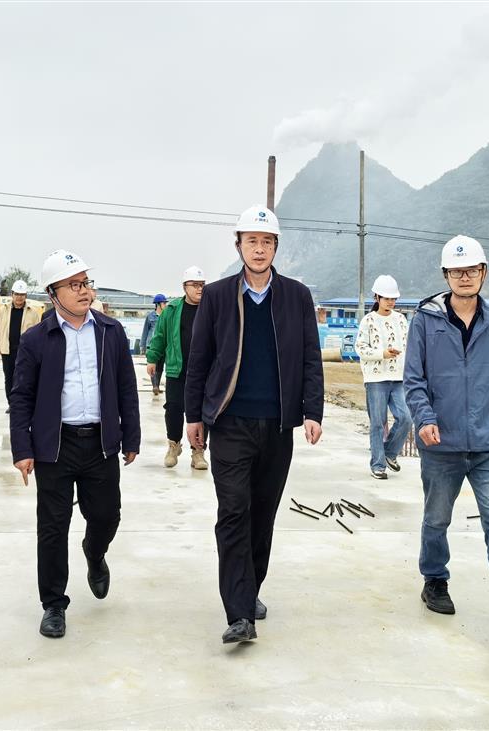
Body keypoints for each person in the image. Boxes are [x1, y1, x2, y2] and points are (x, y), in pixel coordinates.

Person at [185, 205, 324, 645]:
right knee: (233, 512)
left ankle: (250, 589)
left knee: (262, 516)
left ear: (275, 247)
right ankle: (239, 612)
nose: (259, 249)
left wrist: (313, 411)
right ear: (239, 246)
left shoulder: (297, 296)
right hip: (230, 424)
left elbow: (310, 357)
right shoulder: (218, 296)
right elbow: (199, 359)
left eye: (266, 242)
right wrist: (193, 416)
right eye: (251, 241)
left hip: (278, 426)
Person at [404, 235, 489, 643]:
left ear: (484, 273)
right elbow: (414, 380)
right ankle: (435, 580)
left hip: (487, 443)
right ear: (446, 275)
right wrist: (424, 418)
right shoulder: (425, 320)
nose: (465, 277)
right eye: (457, 271)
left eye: (472, 270)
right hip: (440, 443)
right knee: (437, 518)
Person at [10, 249, 140, 639]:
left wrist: (131, 436)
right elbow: (22, 397)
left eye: (86, 283)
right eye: (74, 285)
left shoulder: (111, 332)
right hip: (55, 446)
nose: (84, 291)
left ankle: (95, 553)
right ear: (53, 294)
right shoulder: (36, 339)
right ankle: (53, 604)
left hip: (100, 443)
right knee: (52, 528)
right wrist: (23, 449)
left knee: (107, 516)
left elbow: (126, 387)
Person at [146, 266, 208, 470]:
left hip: (204, 372)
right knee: (173, 408)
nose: (199, 289)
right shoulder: (172, 310)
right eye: (195, 285)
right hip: (177, 369)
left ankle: (198, 452)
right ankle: (174, 445)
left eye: (202, 284)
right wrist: (152, 358)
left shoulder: (210, 307)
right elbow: (160, 336)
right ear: (184, 287)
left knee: (201, 412)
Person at [355, 274, 412, 480]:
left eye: (393, 298)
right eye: (387, 298)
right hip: (375, 379)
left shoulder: (401, 320)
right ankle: (378, 465)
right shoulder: (368, 321)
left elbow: (409, 346)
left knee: (406, 418)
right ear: (377, 297)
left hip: (398, 378)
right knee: (378, 423)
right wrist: (383, 354)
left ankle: (389, 453)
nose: (391, 302)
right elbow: (360, 348)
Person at [0, 279, 39, 412]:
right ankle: (12, 404)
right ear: (12, 294)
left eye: (22, 294)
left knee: (24, 378)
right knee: (9, 378)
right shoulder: (3, 310)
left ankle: (24, 404)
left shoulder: (32, 312)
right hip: (7, 351)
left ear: (26, 296)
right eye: (17, 294)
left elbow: (38, 333)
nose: (19, 297)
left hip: (25, 352)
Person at [141, 294, 168, 395]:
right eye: (164, 303)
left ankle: (157, 385)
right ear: (157, 304)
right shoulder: (150, 316)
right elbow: (145, 331)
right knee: (153, 365)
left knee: (160, 367)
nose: (165, 305)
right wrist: (143, 345)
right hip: (151, 345)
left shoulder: (166, 316)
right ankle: (155, 386)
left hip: (163, 346)